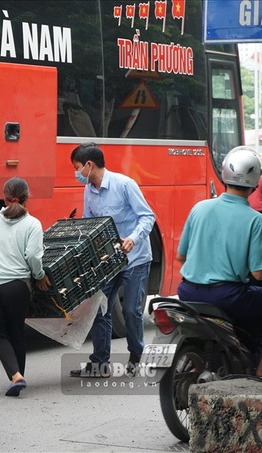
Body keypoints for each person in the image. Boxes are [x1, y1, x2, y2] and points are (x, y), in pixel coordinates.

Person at [177, 146, 262, 378]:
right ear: (255, 183)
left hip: (187, 292)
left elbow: (181, 256)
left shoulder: (199, 208)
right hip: (227, 296)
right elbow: (258, 275)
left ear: (224, 176)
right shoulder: (255, 220)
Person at [68, 142, 155, 377]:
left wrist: (133, 239)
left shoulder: (124, 184)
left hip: (135, 258)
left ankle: (136, 355)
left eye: (77, 168)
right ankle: (100, 363)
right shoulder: (89, 190)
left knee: (130, 311)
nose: (76, 173)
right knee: (99, 308)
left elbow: (148, 216)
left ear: (89, 165)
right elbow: (90, 222)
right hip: (108, 260)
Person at [0, 177, 51, 397]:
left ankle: (15, 376)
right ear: (27, 199)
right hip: (17, 287)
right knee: (16, 332)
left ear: (4, 197)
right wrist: (39, 275)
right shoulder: (32, 224)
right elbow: (33, 257)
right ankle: (17, 377)